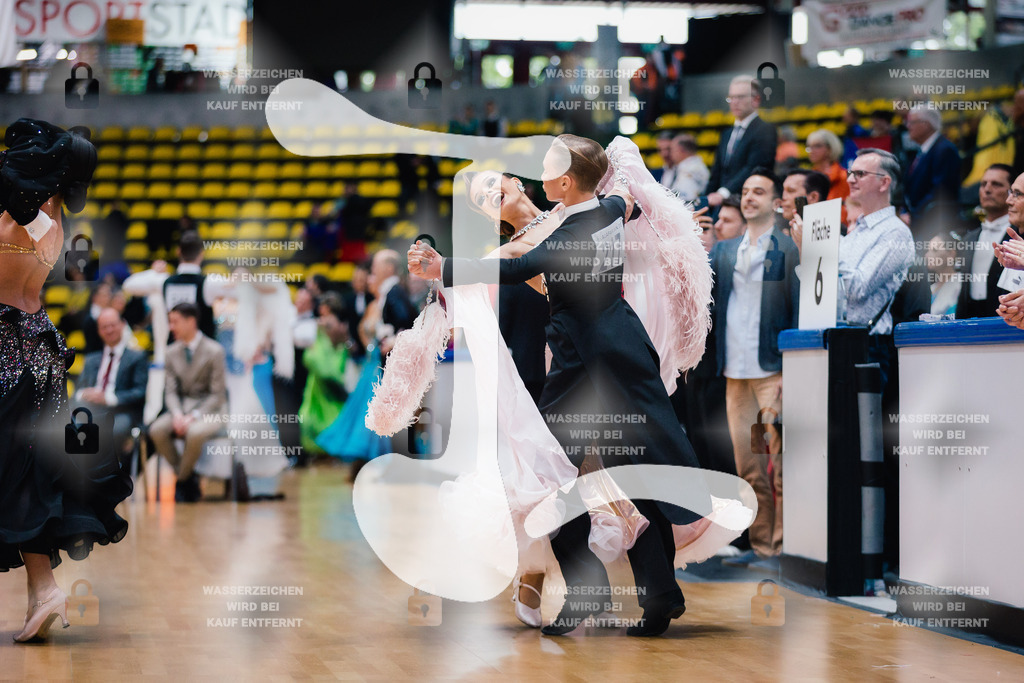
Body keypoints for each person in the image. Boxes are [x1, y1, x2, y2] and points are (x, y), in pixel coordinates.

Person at [410, 135, 723, 637]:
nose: (492, 195)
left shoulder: (576, 215)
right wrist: (442, 272)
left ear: (519, 180)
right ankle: (586, 589)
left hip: (614, 357)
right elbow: (511, 272)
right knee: (551, 476)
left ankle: (660, 596)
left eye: (493, 184)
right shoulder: (525, 240)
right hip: (573, 366)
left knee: (635, 471)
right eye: (482, 199)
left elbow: (634, 213)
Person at [0, 119, 132, 643]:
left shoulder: (8, 223)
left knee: (16, 476)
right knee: (31, 475)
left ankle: (44, 589)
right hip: (43, 357)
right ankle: (42, 589)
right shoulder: (52, 226)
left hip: (7, 355)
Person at [710, 169, 800, 568]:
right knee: (748, 467)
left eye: (758, 192)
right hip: (734, 370)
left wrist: (788, 367)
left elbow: (798, 309)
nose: (748, 198)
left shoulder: (787, 248)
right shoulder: (724, 251)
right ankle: (762, 546)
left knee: (780, 464)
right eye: (745, 192)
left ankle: (786, 547)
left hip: (770, 372)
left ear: (776, 202)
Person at [148, 302, 228, 502]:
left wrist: (192, 417)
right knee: (156, 430)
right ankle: (188, 478)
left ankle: (182, 481)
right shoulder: (170, 352)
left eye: (175, 322)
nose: (171, 327)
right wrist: (177, 415)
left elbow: (218, 395)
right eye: (169, 322)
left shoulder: (215, 350)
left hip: (211, 410)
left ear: (191, 321)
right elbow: (171, 392)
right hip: (180, 410)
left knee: (195, 432)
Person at [73, 307, 149, 463]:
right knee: (69, 426)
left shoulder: (137, 357)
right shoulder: (92, 359)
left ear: (122, 325)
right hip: (92, 410)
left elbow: (140, 392)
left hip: (121, 412)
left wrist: (107, 398)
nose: (109, 330)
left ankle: (106, 475)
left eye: (112, 325)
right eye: (104, 327)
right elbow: (78, 391)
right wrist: (86, 394)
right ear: (99, 331)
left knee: (111, 431)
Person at [706, 74, 777, 210]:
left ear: (756, 100)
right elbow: (717, 172)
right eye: (731, 97)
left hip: (747, 203)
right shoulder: (726, 133)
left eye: (740, 97)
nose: (735, 102)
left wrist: (723, 193)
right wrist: (705, 200)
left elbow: (754, 168)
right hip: (721, 204)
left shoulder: (765, 130)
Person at [957, 164, 1017, 319]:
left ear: (1012, 193)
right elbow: (963, 291)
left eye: (996, 184)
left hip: (1008, 322)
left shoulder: (1019, 235)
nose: (987, 189)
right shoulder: (969, 238)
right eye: (983, 184)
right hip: (969, 323)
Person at [903, 105, 962, 229]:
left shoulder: (944, 150)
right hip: (922, 222)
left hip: (934, 225)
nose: (908, 126)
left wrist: (913, 215)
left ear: (926, 124)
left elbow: (940, 192)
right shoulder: (922, 150)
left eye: (912, 122)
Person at [162, 230, 218, 339]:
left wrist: (153, 271)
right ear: (201, 254)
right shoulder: (209, 283)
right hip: (202, 350)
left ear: (178, 252)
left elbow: (129, 284)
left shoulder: (164, 281)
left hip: (175, 346)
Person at [806, 129, 851, 223]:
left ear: (829, 148)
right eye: (809, 147)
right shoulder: (807, 179)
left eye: (817, 146)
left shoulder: (845, 177)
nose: (811, 151)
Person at [666, 134, 709, 202]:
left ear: (682, 150)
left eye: (673, 150)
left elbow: (686, 198)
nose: (670, 154)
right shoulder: (686, 167)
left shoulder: (692, 170)